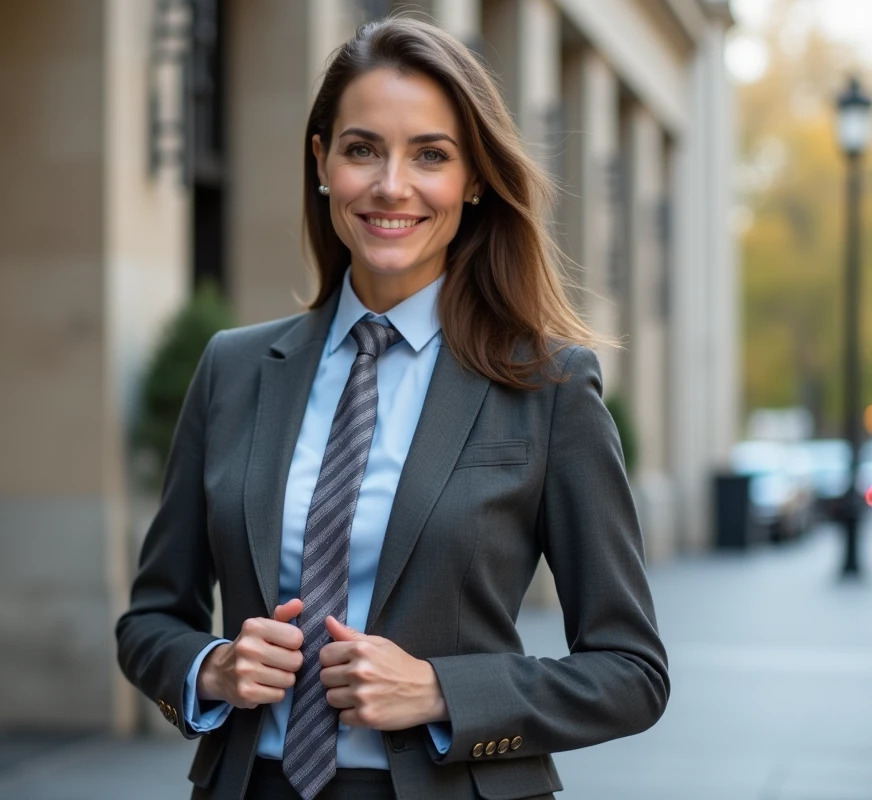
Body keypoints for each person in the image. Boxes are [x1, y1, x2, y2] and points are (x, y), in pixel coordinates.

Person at [116, 16, 669, 800]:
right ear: (322, 162)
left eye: (431, 155)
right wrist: (213, 668)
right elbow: (148, 622)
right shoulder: (233, 370)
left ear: (473, 179)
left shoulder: (548, 386)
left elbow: (632, 672)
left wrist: (442, 691)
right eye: (363, 148)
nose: (391, 186)